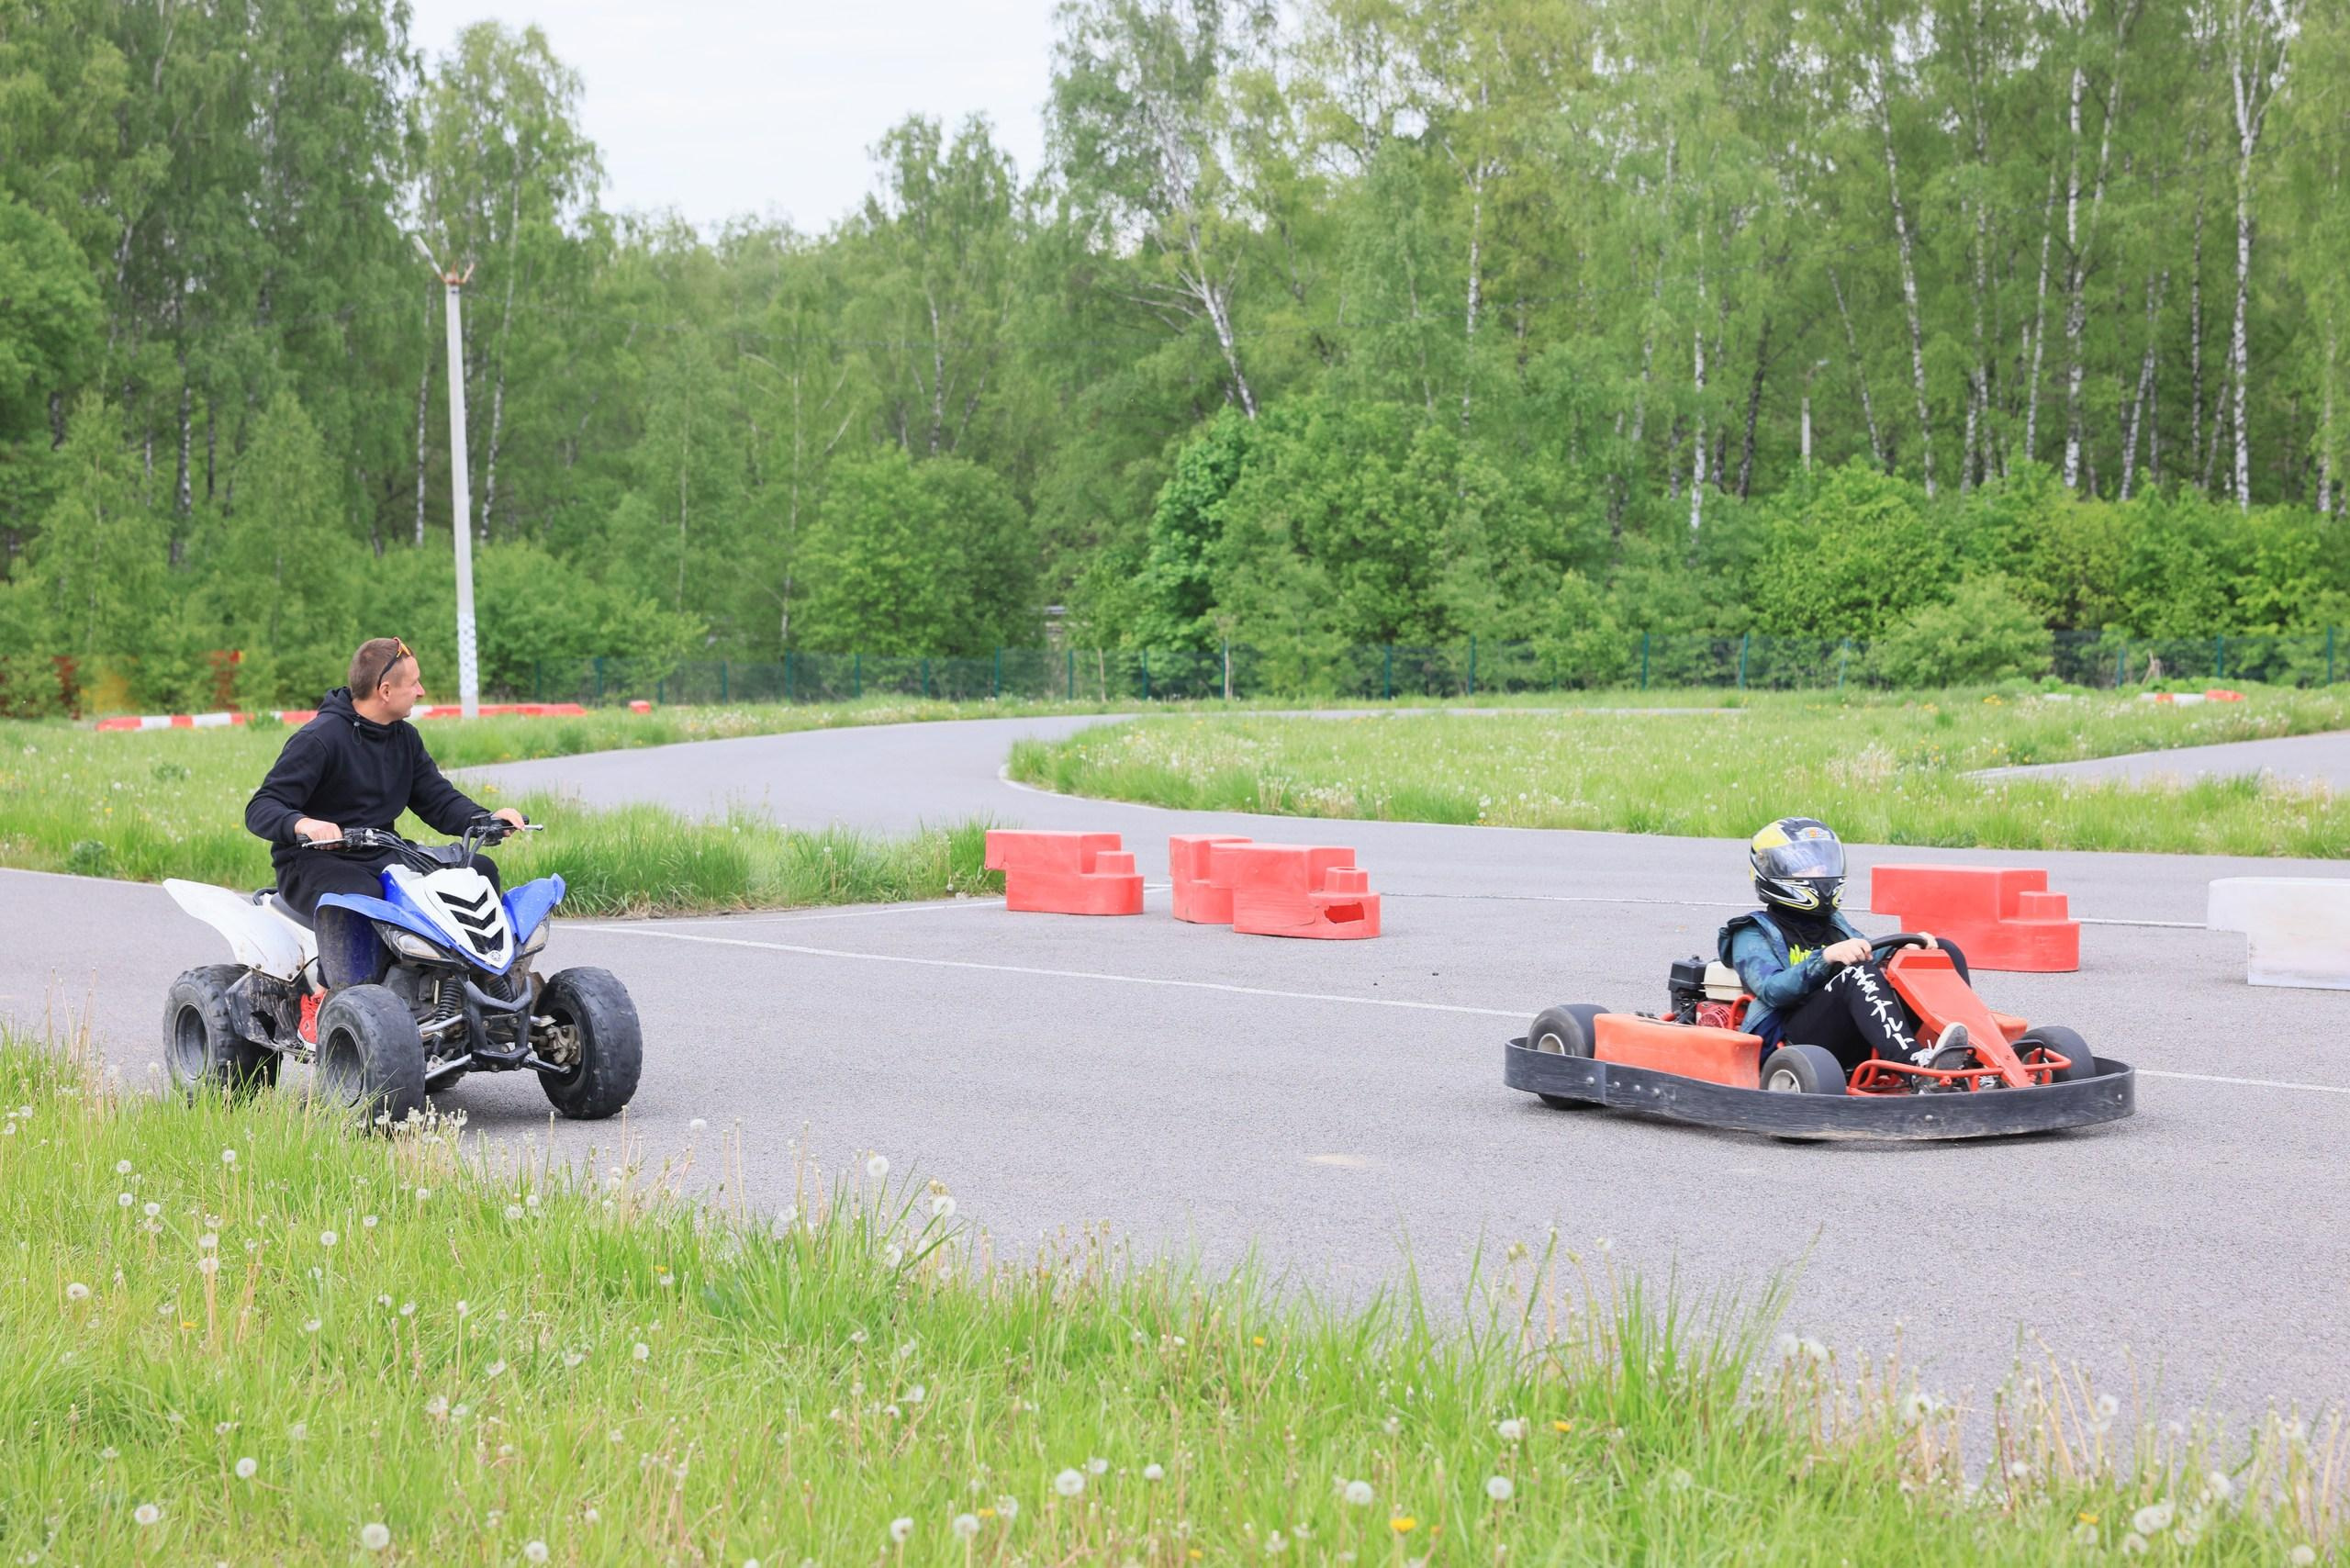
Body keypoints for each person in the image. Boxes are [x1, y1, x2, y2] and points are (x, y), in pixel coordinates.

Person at [245, 637, 527, 935]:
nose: (422, 691)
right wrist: (304, 824)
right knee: (362, 897)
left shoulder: (405, 738)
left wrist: (486, 820)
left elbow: (438, 799)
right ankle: (338, 982)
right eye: (415, 683)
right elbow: (262, 807)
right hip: (312, 862)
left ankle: (480, 975)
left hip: (380, 852)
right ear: (386, 691)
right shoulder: (319, 739)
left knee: (477, 871)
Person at [1717, 816, 1966, 1073]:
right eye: (1806, 869)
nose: (1819, 876)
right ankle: (1916, 1067)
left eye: (1823, 868)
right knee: (1857, 974)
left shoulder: (1833, 924)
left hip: (1845, 1028)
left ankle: (1970, 1055)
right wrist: (1824, 958)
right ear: (1773, 872)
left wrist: (1907, 948)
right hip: (1794, 1041)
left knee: (1943, 952)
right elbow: (1773, 991)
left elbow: (1871, 951)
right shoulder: (1751, 932)